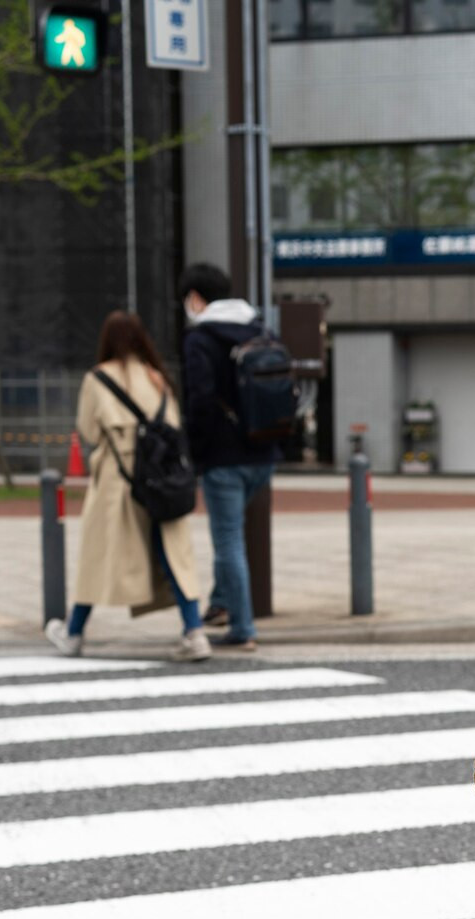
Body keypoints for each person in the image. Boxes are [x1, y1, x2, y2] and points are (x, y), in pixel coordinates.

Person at [45, 312, 211, 663]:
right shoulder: (157, 378)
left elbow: (89, 432)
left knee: (97, 558)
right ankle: (195, 632)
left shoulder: (98, 379)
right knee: (174, 556)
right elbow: (173, 425)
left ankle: (73, 633)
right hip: (163, 479)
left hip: (118, 483)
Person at [179, 262, 276, 652]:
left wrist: (197, 453)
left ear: (196, 298)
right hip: (264, 452)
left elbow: (199, 401)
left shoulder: (201, 339)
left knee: (228, 539)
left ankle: (243, 627)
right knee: (231, 534)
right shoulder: (260, 328)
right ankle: (221, 604)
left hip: (223, 456)